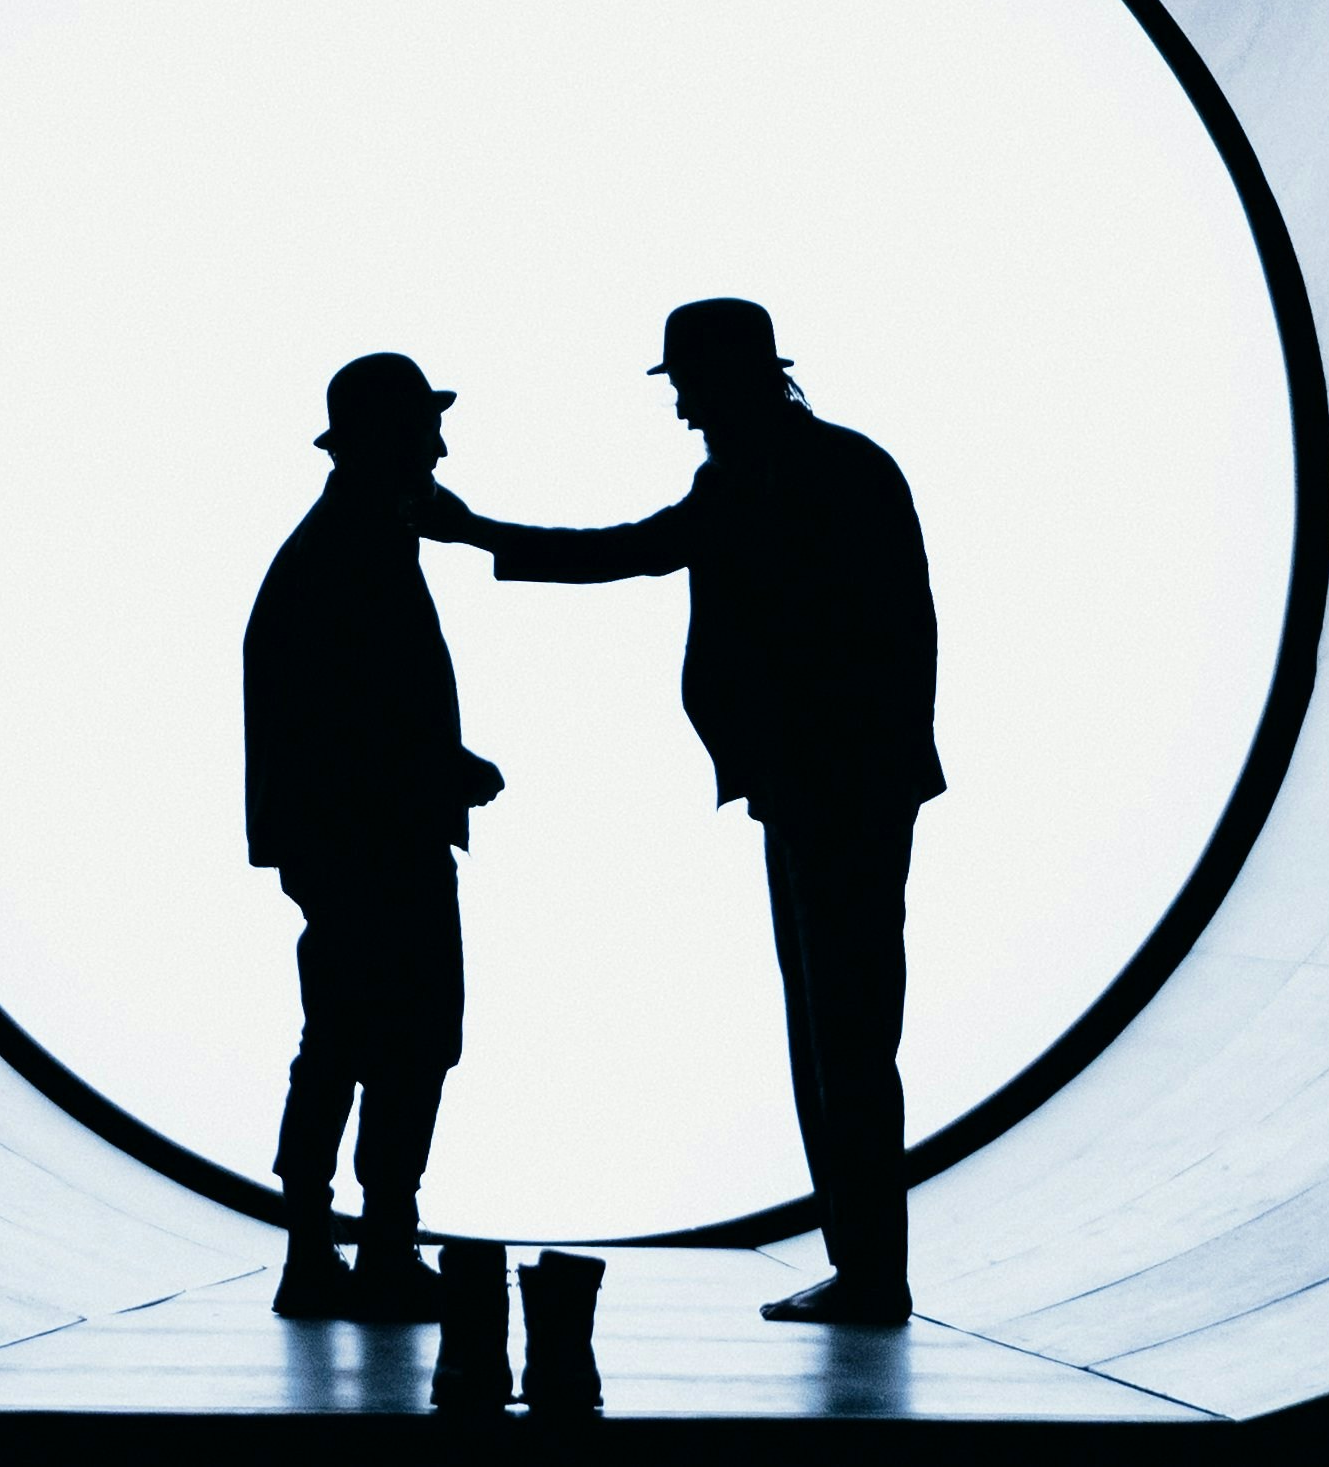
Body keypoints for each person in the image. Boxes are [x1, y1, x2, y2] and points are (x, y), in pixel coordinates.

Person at [432, 296, 942, 1328]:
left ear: (732, 380)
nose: (682, 413)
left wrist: (475, 528)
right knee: (842, 1028)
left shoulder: (763, 476)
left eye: (688, 388)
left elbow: (636, 547)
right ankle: (866, 1264)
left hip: (819, 788)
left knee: (835, 1032)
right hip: (839, 784)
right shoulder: (838, 463)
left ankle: (871, 1270)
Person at [247, 350, 502, 1323]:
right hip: (376, 847)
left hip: (353, 842)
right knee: (393, 1040)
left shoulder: (343, 542)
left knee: (353, 1040)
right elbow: (357, 718)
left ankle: (327, 1246)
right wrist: (444, 769)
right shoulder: (357, 550)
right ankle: (365, 1244)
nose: (439, 443)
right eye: (425, 426)